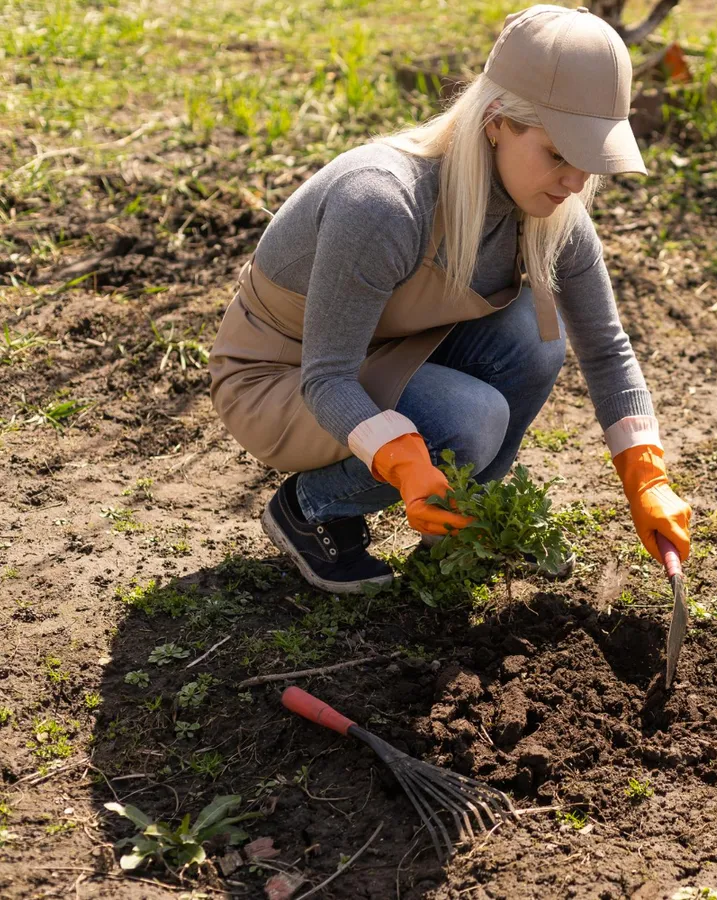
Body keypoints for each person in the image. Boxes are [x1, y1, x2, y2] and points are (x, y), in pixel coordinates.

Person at [209, 5, 692, 594]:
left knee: (535, 339)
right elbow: (326, 374)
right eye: (559, 154)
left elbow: (607, 351)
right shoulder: (384, 202)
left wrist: (646, 475)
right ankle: (310, 508)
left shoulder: (553, 210)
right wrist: (404, 458)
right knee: (467, 418)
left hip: (387, 353)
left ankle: (457, 525)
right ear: (496, 121)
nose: (574, 182)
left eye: (588, 161)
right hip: (281, 377)